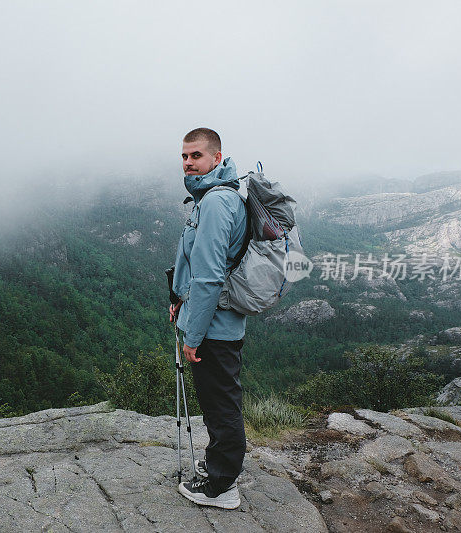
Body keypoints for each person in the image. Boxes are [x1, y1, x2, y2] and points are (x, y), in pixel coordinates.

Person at [169, 127, 247, 509]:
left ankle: (221, 487)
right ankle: (221, 466)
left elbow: (211, 275)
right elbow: (195, 264)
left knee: (220, 407)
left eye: (196, 155)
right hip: (213, 322)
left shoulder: (216, 203)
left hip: (212, 329)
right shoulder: (213, 197)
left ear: (217, 157)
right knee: (219, 401)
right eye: (184, 156)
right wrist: (178, 300)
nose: (188, 162)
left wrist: (193, 335)